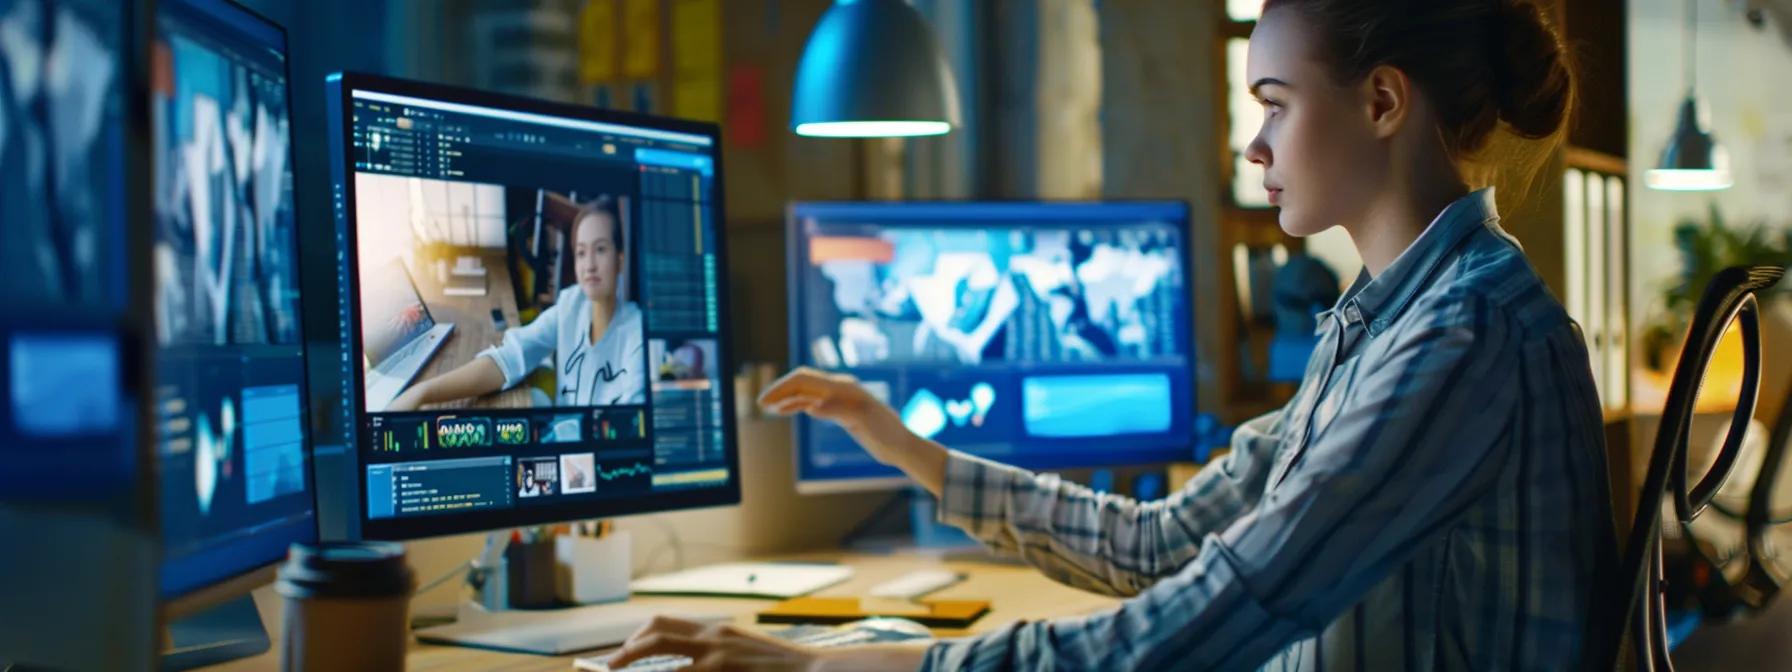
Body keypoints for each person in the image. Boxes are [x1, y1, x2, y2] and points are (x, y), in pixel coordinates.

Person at [608, 0, 1615, 670]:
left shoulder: (1463, 337)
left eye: (1273, 105)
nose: (1250, 142)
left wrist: (856, 663)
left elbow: (1223, 610)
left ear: (1382, 101)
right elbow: (1168, 543)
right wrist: (904, 444)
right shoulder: (1389, 323)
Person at [387, 198, 646, 410]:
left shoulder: (636, 336)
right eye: (581, 252)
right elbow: (509, 357)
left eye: (600, 250)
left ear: (620, 259)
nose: (589, 265)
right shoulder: (572, 303)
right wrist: (422, 392)